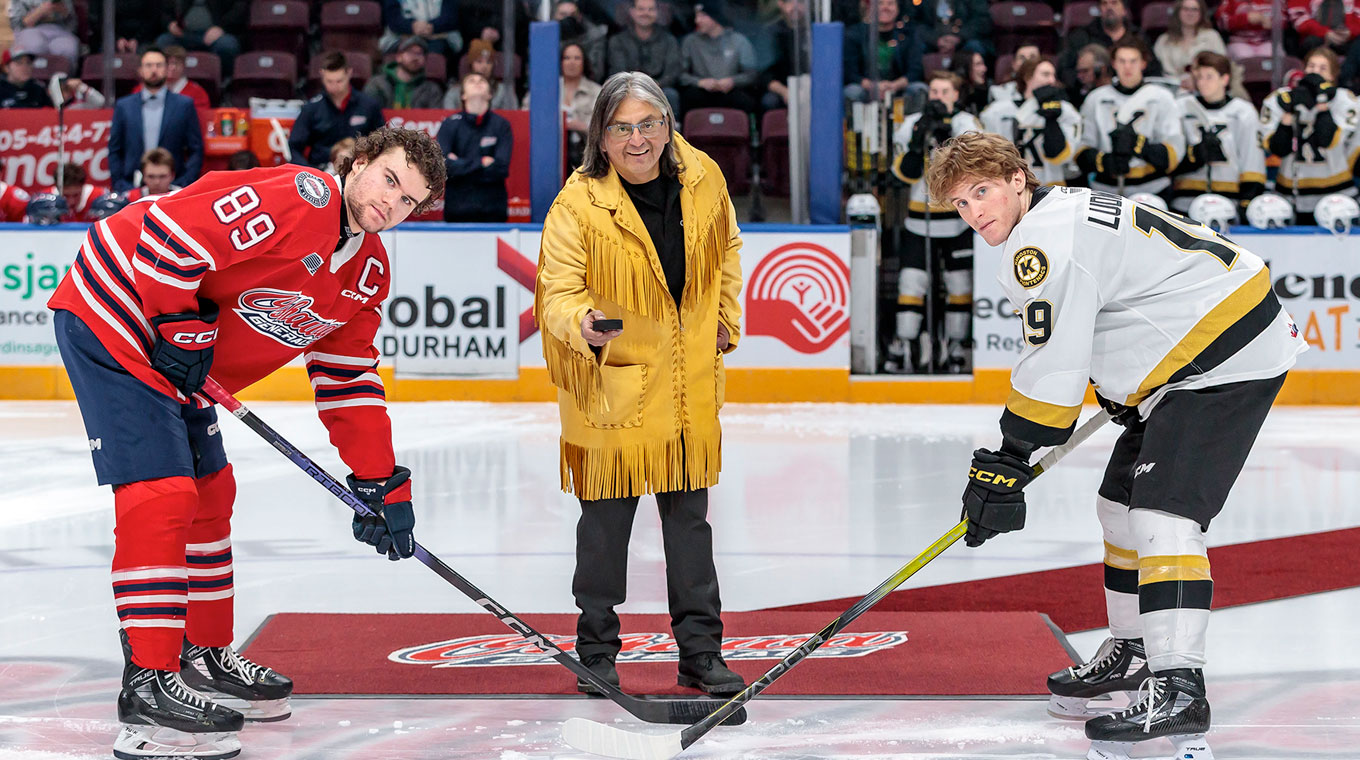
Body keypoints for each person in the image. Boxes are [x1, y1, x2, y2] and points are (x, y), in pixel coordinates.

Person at [46, 126, 446, 760]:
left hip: (177, 354)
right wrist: (177, 321)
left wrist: (380, 481)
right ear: (360, 161)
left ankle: (203, 657)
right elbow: (172, 231)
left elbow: (347, 378)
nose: (390, 205)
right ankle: (147, 688)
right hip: (118, 315)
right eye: (390, 180)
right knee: (161, 494)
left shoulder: (368, 272)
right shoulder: (305, 197)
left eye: (408, 202)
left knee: (211, 493)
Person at [927, 131, 1304, 760]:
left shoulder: (1041, 241)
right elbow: (1114, 309)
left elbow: (1053, 362)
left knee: (1163, 515)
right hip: (1195, 352)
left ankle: (1180, 686)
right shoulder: (1061, 211)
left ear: (1019, 178)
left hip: (1223, 356)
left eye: (983, 191)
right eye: (961, 205)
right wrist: (1120, 386)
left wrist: (1010, 458)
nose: (974, 213)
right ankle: (1134, 651)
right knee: (1119, 509)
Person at [535, 71, 746, 698]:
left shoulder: (704, 177)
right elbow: (557, 290)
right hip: (613, 390)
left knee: (690, 530)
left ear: (668, 125)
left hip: (686, 389)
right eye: (622, 127)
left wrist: (725, 319)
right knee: (603, 531)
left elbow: (728, 249)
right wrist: (583, 324)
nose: (638, 139)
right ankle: (595, 651)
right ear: (600, 136)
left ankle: (701, 654)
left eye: (649, 124)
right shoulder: (577, 205)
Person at [889, 70, 980, 374]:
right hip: (919, 219)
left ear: (956, 95)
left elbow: (974, 170)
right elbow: (903, 175)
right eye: (934, 91)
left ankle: (955, 347)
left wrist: (946, 143)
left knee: (960, 285)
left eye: (945, 91)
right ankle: (905, 345)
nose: (938, 97)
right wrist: (919, 140)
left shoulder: (967, 124)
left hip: (960, 220)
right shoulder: (912, 123)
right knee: (911, 284)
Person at [1075, 39, 1184, 200]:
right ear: (1113, 63)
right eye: (1122, 61)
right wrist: (1105, 162)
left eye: (1133, 61)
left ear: (1143, 63)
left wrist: (1139, 145)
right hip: (1104, 192)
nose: (1128, 67)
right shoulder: (1096, 98)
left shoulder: (1162, 97)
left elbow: (1174, 153)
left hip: (1153, 192)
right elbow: (1081, 149)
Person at [1261, 47, 1360, 224]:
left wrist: (1322, 104)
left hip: (1338, 195)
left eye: (1323, 68)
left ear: (1333, 75)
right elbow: (1278, 149)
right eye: (1311, 67)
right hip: (1290, 195)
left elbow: (1327, 140)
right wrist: (1289, 113)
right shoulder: (1281, 99)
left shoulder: (1346, 101)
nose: (1315, 72)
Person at [1171, 51, 1264, 215]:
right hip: (1185, 203)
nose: (1202, 82)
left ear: (1225, 79)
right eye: (1199, 77)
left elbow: (1252, 160)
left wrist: (1247, 202)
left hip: (1228, 204)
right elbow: (1171, 159)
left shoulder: (1243, 112)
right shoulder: (1181, 108)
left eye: (1209, 76)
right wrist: (1195, 155)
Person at [108, 47, 204, 192]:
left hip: (173, 188)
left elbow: (196, 149)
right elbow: (115, 149)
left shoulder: (184, 105)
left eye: (159, 65)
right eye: (149, 65)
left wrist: (184, 184)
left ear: (166, 69)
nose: (154, 70)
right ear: (140, 70)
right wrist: (120, 184)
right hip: (132, 187)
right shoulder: (124, 106)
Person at [980, 56, 1082, 189]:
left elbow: (1061, 156)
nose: (1051, 80)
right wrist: (1033, 104)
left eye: (1053, 75)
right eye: (1045, 74)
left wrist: (1052, 121)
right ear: (1027, 77)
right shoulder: (997, 111)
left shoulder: (1065, 111)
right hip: (1011, 187)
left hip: (1050, 187)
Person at [289, 52, 386, 170]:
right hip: (321, 170)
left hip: (360, 168)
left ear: (349, 73)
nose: (334, 86)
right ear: (322, 74)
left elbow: (382, 141)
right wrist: (309, 171)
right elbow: (294, 147)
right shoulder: (311, 108)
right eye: (329, 81)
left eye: (339, 81)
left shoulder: (369, 105)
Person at [436, 72, 512, 222]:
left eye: (482, 81)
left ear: (490, 94)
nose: (477, 82)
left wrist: (460, 163)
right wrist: (482, 162)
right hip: (457, 210)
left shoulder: (501, 125)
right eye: (471, 80)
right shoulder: (450, 124)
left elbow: (501, 168)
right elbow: (444, 167)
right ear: (463, 95)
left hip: (493, 211)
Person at [1059, 0, 1161, 95]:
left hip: (1134, 94)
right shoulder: (1081, 37)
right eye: (1104, 4)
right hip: (1092, 95)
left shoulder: (1139, 37)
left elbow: (1154, 71)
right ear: (1099, 9)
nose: (1109, 7)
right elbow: (1065, 70)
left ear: (1124, 10)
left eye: (1114, 3)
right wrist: (1082, 80)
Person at [679, 2, 759, 114]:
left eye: (702, 16)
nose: (697, 21)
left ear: (715, 17)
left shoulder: (739, 41)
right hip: (700, 92)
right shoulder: (690, 41)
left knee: (746, 100)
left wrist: (732, 81)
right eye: (696, 16)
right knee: (689, 97)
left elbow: (751, 74)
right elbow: (680, 74)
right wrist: (699, 82)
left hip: (731, 92)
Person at [607, 0, 683, 116]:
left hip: (660, 88)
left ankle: (673, 131)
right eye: (641, 9)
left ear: (657, 13)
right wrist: (633, 86)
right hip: (627, 88)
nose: (645, 13)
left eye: (650, 9)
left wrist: (653, 86)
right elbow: (617, 71)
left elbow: (672, 72)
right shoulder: (617, 41)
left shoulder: (669, 40)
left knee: (671, 95)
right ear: (632, 12)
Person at [842, 0, 923, 103]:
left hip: (899, 90)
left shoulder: (909, 34)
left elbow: (915, 70)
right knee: (852, 92)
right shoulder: (855, 34)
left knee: (919, 89)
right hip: (866, 89)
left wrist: (894, 86)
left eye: (890, 3)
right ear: (869, 8)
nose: (885, 8)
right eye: (879, 3)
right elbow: (850, 72)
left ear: (898, 9)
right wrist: (874, 86)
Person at [155, 0, 244, 77]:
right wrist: (170, 24)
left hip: (217, 35)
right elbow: (164, 10)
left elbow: (239, 9)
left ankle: (223, 82)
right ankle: (167, 81)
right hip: (182, 34)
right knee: (163, 42)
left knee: (227, 45)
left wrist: (221, 27)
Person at [1153, 0, 1226, 90]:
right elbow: (1156, 71)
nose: (1190, 13)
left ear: (1201, 13)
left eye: (1195, 9)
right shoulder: (1163, 40)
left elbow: (1222, 67)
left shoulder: (1212, 36)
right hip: (1171, 89)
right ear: (1177, 12)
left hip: (1205, 88)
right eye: (1186, 9)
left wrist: (1196, 80)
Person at [365, 35, 446, 109]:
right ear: (398, 57)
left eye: (420, 53)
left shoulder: (431, 90)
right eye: (410, 52)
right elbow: (370, 114)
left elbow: (435, 120)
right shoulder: (377, 84)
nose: (415, 58)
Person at [759, 0, 811, 112]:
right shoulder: (770, 33)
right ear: (780, 4)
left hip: (811, 87)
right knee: (769, 101)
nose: (795, 6)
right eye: (789, 2)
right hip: (782, 89)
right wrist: (786, 92)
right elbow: (764, 74)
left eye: (800, 2)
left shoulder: (814, 31)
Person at [444, 39, 520, 111]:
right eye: (479, 62)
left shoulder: (504, 91)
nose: (484, 66)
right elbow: (448, 116)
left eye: (488, 62)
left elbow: (513, 116)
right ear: (471, 64)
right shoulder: (455, 91)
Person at [134, 45, 213, 112]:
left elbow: (200, 120)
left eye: (177, 63)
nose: (172, 67)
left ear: (183, 66)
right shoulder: (143, 89)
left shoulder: (197, 92)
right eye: (168, 63)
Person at [904, 0, 992, 59]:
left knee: (974, 46)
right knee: (915, 46)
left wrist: (959, 37)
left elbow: (982, 21)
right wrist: (935, 40)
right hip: (933, 42)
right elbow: (914, 23)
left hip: (965, 41)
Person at [380, 0, 461, 60]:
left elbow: (450, 18)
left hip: (438, 36)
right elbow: (393, 19)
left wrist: (431, 26)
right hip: (401, 36)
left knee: (435, 52)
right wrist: (412, 26)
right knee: (408, 53)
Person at [553, 0, 608, 87]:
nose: (568, 19)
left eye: (572, 15)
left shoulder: (594, 36)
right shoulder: (547, 38)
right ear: (554, 17)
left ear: (579, 16)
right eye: (563, 14)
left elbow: (596, 73)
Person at [8, 0, 79, 65]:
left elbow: (73, 24)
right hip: (30, 30)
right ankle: (35, 77)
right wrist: (40, 11)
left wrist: (64, 11)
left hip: (60, 30)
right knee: (36, 45)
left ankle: (62, 77)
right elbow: (17, 25)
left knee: (68, 49)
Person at [1287, 0, 1360, 56]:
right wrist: (1325, 32)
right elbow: (1298, 18)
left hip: (1347, 40)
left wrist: (1350, 32)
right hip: (1314, 40)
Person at [1069, 43, 1112, 108]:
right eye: (1079, 71)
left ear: (1101, 69)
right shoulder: (1077, 94)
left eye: (1085, 71)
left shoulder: (1117, 92)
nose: (1080, 76)